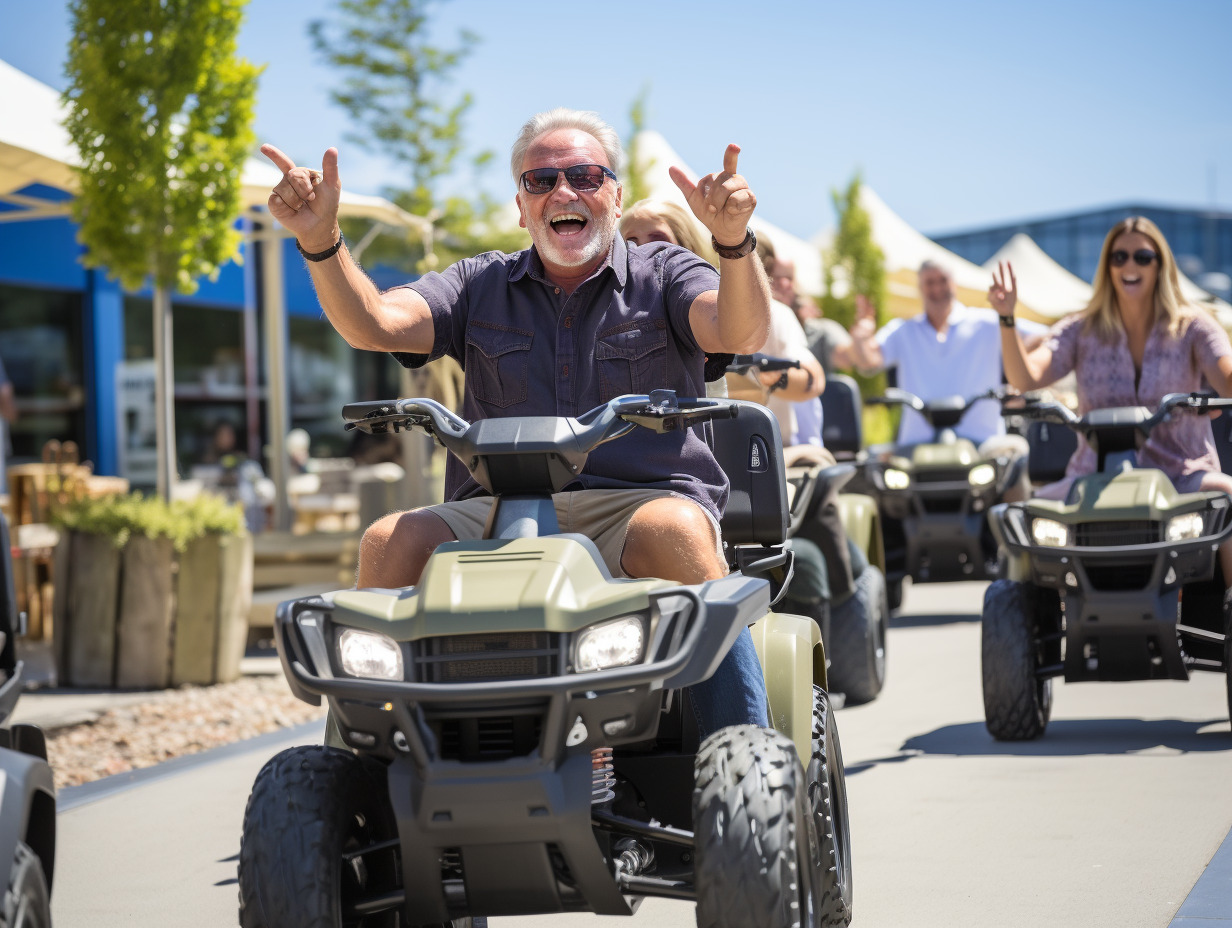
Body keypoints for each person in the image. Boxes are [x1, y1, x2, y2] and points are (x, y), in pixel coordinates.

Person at [261, 108, 773, 735]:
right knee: (388, 542)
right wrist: (320, 242)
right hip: (497, 508)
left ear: (614, 194)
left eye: (585, 176)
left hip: (636, 506)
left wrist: (733, 244)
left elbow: (738, 329)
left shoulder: (663, 273)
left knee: (677, 531)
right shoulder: (480, 283)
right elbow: (377, 324)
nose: (564, 192)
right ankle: (366, 769)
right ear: (521, 206)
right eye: (541, 181)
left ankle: (748, 755)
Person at [992, 216, 1232, 580]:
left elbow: (1226, 374)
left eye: (1142, 257)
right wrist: (1007, 319)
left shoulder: (1193, 326)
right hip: (1092, 478)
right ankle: (1033, 625)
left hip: (1180, 475)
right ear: (1107, 266)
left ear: (1160, 264)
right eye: (1119, 257)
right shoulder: (1080, 328)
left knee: (1229, 499)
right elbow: (1026, 377)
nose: (1130, 266)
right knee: (1023, 520)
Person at [848, 259, 1043, 499]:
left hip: (984, 444)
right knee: (872, 470)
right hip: (915, 447)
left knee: (1015, 453)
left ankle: (1015, 533)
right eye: (929, 282)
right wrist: (861, 336)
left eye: (943, 280)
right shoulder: (903, 330)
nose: (937, 288)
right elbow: (869, 361)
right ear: (920, 288)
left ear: (955, 284)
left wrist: (1018, 378)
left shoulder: (988, 323)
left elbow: (1042, 340)